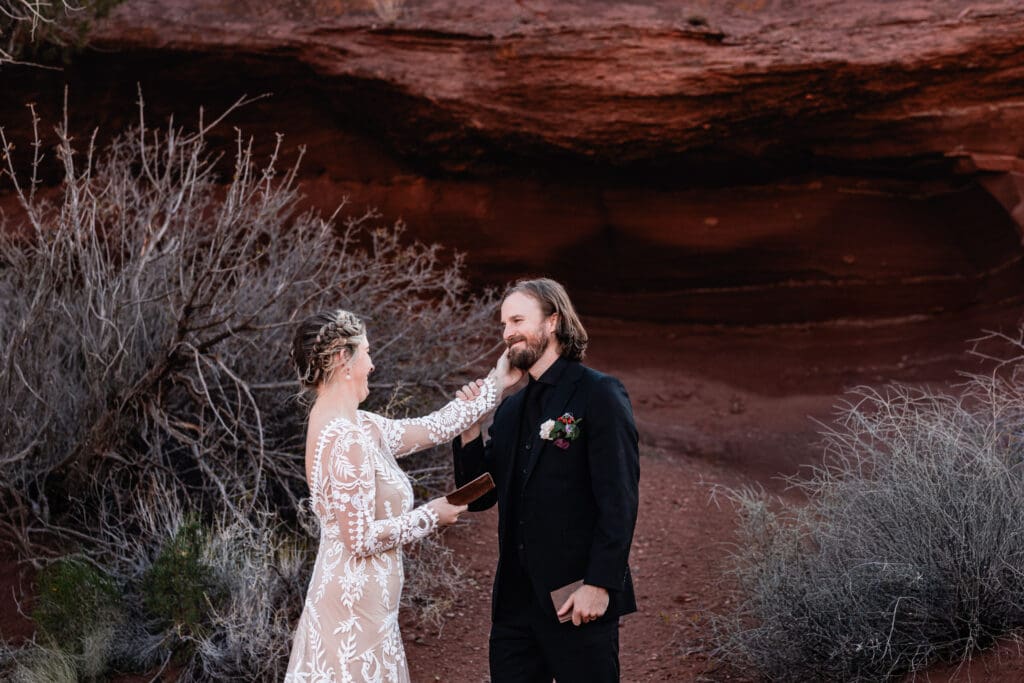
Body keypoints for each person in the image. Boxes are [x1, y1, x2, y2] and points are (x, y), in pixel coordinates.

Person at [285, 308, 517, 682]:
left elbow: (433, 427)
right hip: (351, 611)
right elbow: (358, 538)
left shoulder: (359, 424)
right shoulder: (344, 437)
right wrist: (433, 514)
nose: (372, 365)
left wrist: (497, 381)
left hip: (368, 607)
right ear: (343, 359)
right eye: (367, 352)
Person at [453, 278, 640, 682]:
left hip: (576, 594)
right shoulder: (510, 408)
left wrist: (599, 584)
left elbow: (619, 498)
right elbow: (480, 496)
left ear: (552, 321)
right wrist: (470, 427)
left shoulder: (599, 393)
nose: (507, 333)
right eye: (503, 325)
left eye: (518, 320)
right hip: (515, 606)